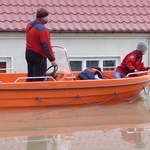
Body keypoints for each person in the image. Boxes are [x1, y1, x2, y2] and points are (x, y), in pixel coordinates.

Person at [25, 8, 57, 82]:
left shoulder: (30, 26)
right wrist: (52, 59)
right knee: (39, 78)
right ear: (44, 17)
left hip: (29, 53)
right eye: (48, 16)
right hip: (38, 56)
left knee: (31, 76)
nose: (49, 18)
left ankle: (28, 91)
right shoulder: (42, 29)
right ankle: (36, 93)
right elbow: (46, 45)